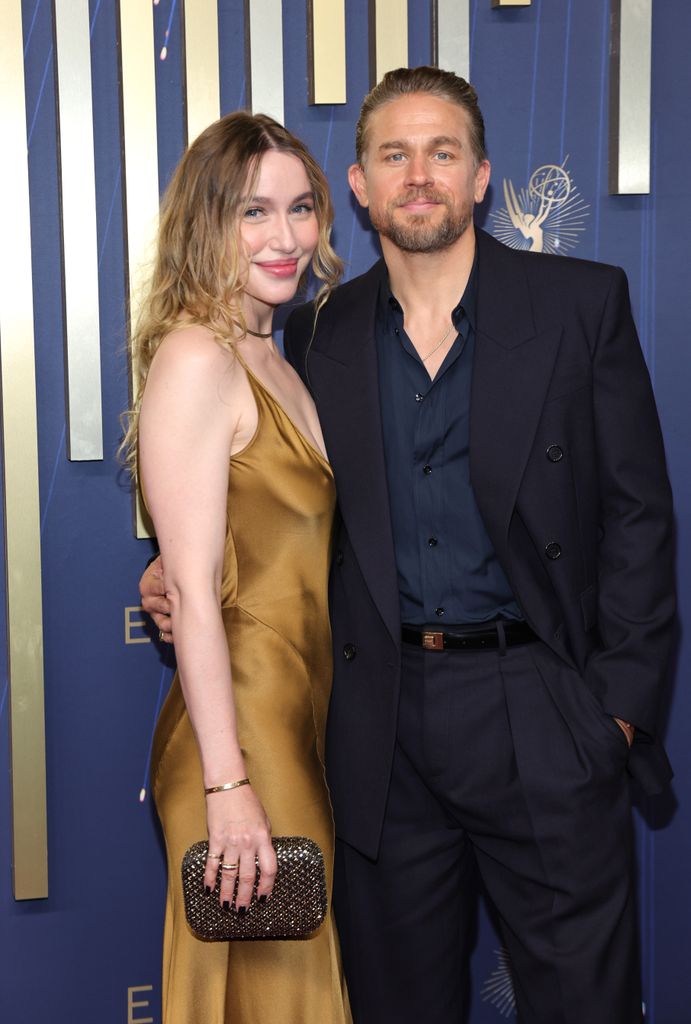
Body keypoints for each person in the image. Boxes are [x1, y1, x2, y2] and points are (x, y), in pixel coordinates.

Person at [142, 68, 675, 1024]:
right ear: (361, 184)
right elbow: (250, 484)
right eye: (394, 154)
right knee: (395, 1003)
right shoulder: (316, 331)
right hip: (377, 725)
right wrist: (183, 569)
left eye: (442, 152)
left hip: (538, 710)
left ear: (480, 177)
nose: (418, 174)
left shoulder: (578, 305)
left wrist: (616, 720)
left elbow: (638, 515)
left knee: (585, 1004)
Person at [124, 111, 351, 1024]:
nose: (286, 237)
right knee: (270, 999)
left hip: (295, 721)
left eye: (301, 209)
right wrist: (229, 789)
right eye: (254, 212)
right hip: (243, 735)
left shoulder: (274, 352)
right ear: (206, 223)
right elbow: (193, 595)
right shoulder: (195, 357)